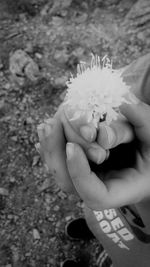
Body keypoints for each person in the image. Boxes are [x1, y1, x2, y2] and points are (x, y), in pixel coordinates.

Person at [37, 54, 150, 267]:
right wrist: (71, 118)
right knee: (101, 219)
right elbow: (123, 82)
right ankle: (97, 232)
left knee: (125, 255)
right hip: (105, 191)